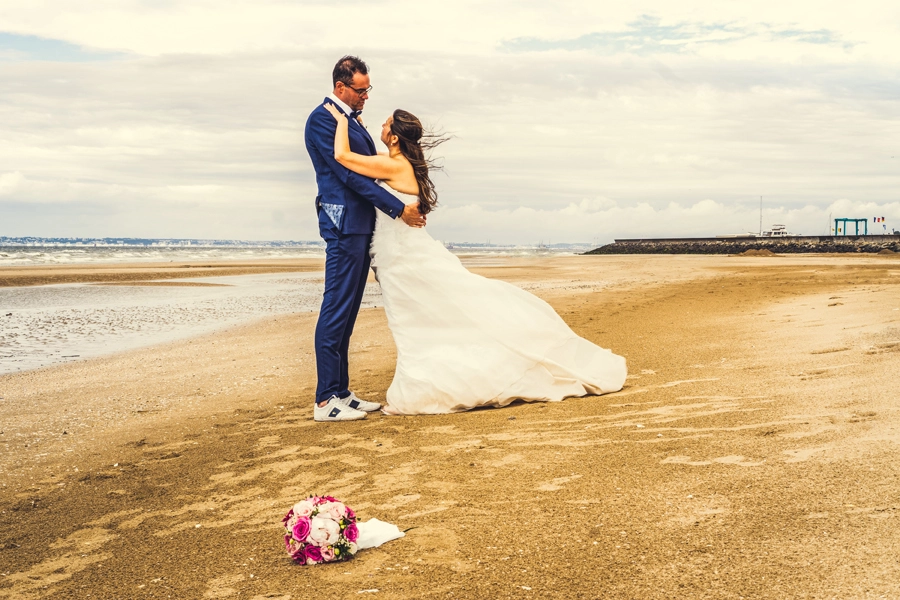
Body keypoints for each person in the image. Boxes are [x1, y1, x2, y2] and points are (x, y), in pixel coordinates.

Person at [322, 104, 628, 415]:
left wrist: (342, 121)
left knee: (417, 321)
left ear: (396, 139)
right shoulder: (397, 163)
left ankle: (426, 385)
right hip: (401, 254)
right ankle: (428, 381)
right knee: (427, 320)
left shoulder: (393, 166)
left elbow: (344, 157)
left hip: (402, 258)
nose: (381, 128)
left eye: (386, 125)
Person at [305, 56, 426, 422]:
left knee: (349, 309)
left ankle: (342, 391)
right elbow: (349, 176)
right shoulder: (322, 120)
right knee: (336, 307)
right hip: (343, 225)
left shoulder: (351, 121)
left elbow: (372, 167)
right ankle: (326, 400)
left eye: (367, 89)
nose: (366, 96)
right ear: (341, 86)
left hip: (361, 226)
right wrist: (396, 208)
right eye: (361, 90)